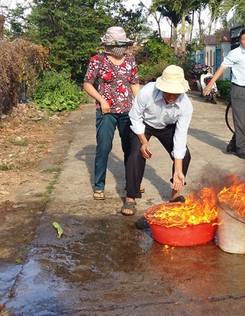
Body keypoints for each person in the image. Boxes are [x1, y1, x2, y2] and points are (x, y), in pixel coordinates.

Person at [121, 65, 193, 216]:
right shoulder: (147, 92)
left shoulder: (186, 105)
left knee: (185, 156)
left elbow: (180, 136)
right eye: (168, 92)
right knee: (136, 154)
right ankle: (131, 197)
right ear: (161, 87)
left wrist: (178, 170)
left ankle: (175, 194)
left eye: (176, 93)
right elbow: (135, 116)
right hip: (143, 124)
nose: (172, 96)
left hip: (167, 126)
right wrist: (143, 141)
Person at [83, 26, 141, 201]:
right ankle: (99, 186)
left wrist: (139, 106)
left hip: (127, 111)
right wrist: (102, 100)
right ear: (108, 44)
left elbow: (134, 84)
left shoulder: (130, 59)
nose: (121, 47)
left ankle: (132, 183)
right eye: (117, 43)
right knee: (104, 147)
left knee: (130, 149)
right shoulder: (98, 60)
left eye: (123, 43)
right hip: (106, 111)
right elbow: (87, 84)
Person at [203, 27, 245, 160]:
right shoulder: (235, 53)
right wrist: (210, 84)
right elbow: (222, 68)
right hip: (239, 91)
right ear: (240, 40)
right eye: (243, 39)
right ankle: (240, 148)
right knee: (240, 121)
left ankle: (232, 144)